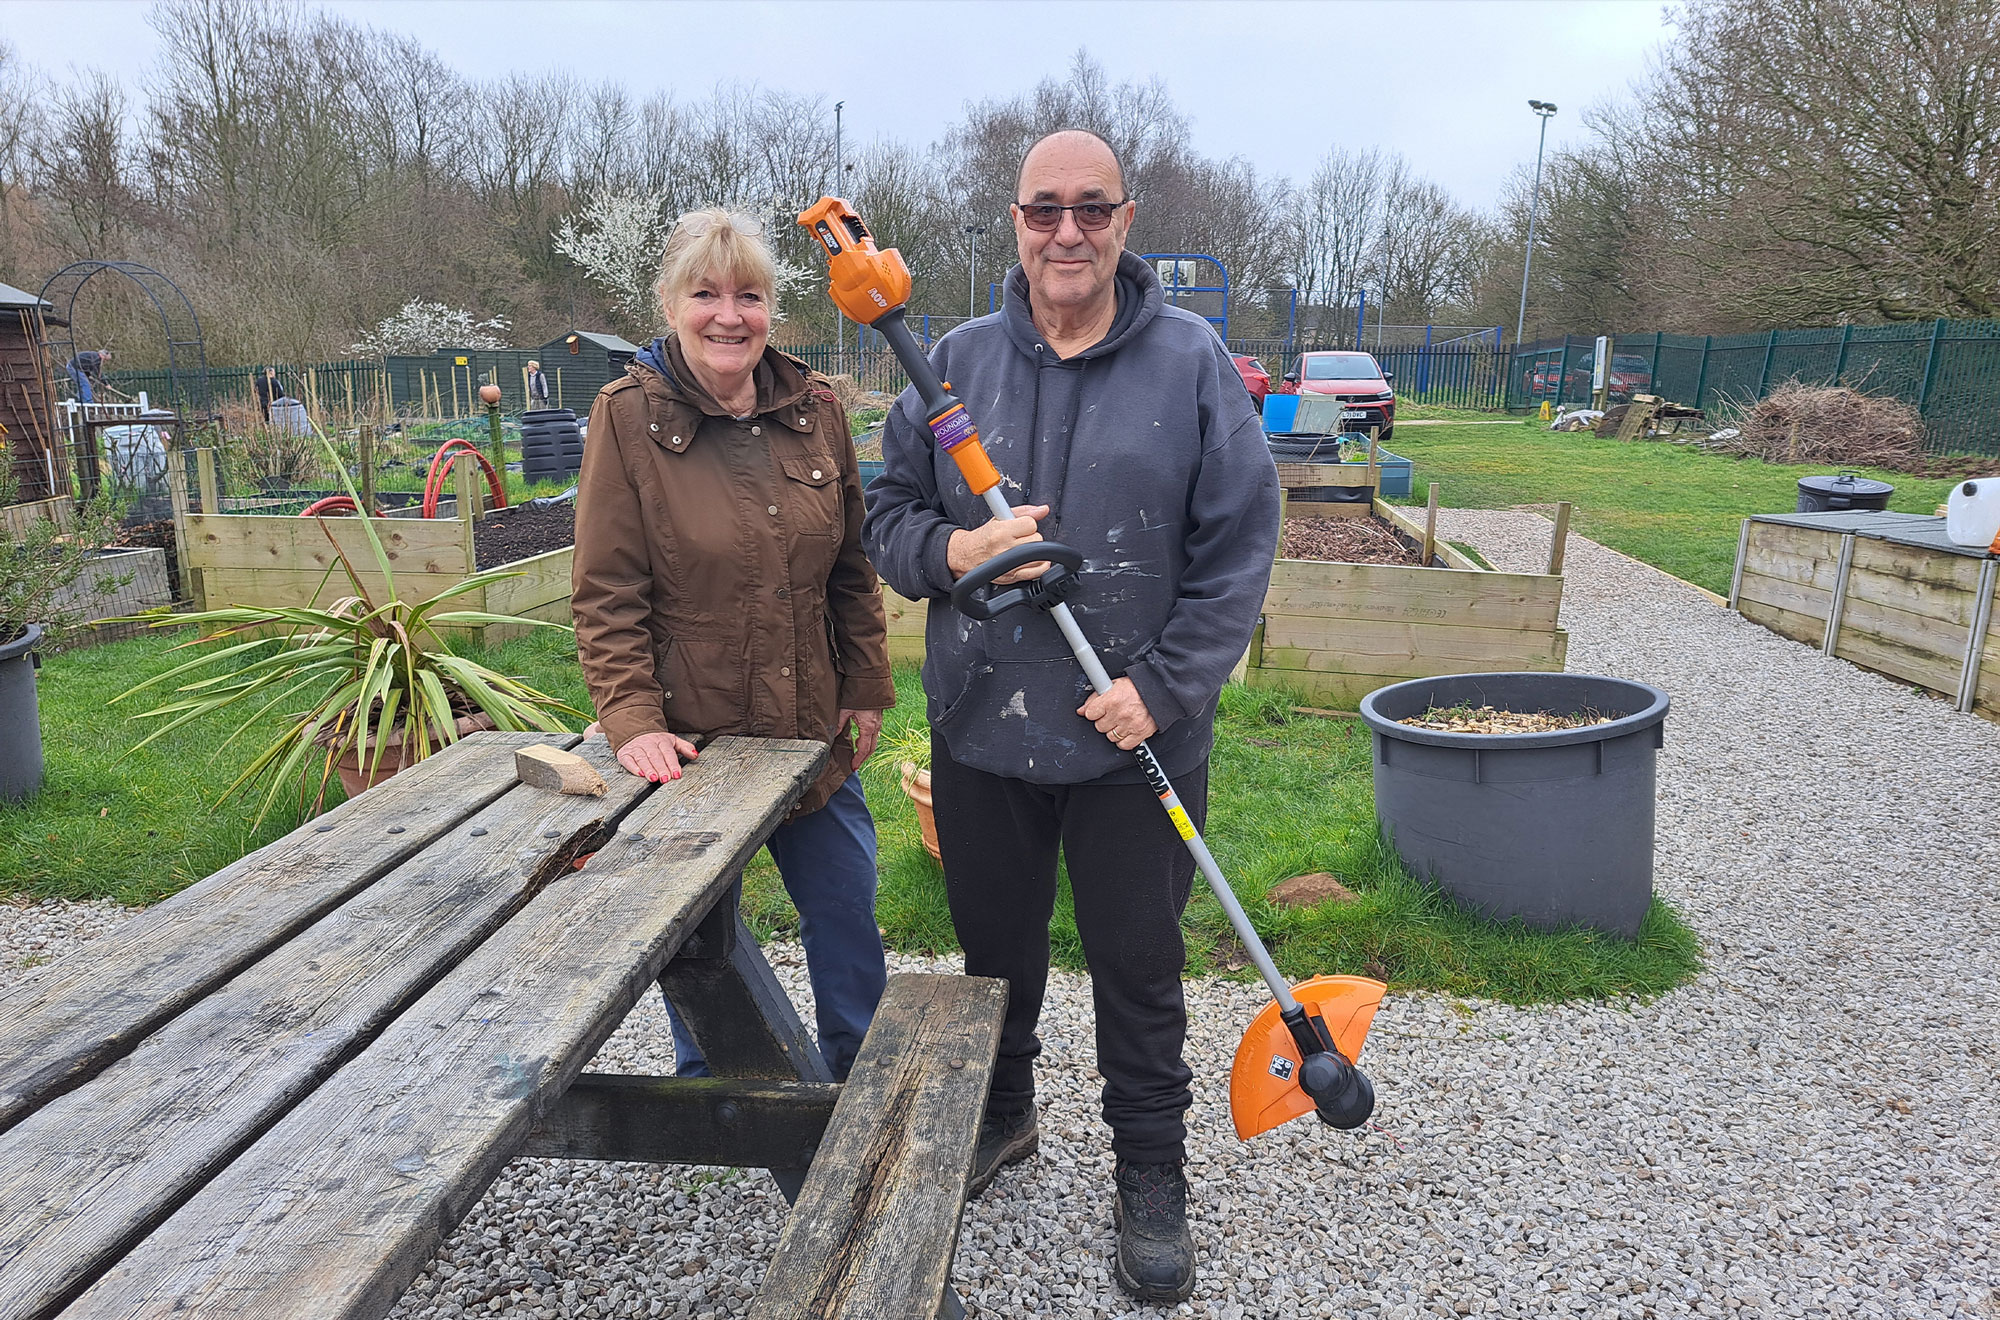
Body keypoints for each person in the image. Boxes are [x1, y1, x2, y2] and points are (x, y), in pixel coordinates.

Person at [862, 130, 1277, 1303]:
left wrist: (1165, 685)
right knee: (994, 954)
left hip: (1131, 738)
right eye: (1043, 209)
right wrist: (956, 551)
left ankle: (1149, 1168)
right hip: (984, 728)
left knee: (1137, 966)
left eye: (1091, 208)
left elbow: (1238, 546)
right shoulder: (949, 364)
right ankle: (1003, 1113)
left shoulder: (1190, 365)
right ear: (1014, 221)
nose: (1066, 231)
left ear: (1125, 221)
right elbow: (885, 516)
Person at [571, 207, 895, 1082]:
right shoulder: (627, 417)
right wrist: (633, 718)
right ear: (670, 304)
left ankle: (860, 1079)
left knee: (846, 909)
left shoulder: (816, 411)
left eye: (748, 296)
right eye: (705, 294)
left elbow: (852, 570)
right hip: (695, 737)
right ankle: (718, 1089)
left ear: (771, 309)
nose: (728, 315)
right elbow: (606, 590)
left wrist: (865, 690)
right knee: (699, 930)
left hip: (810, 727)